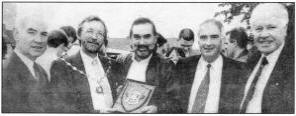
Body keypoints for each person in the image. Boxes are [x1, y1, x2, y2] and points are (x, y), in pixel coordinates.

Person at [168, 19, 249, 113]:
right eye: (203, 37)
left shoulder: (240, 71)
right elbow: (173, 101)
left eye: (214, 37)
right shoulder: (183, 66)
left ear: (222, 40)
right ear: (198, 41)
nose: (208, 43)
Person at [49, 16, 123, 113]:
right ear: (79, 34)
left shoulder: (112, 65)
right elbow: (60, 106)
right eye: (90, 31)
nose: (94, 37)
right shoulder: (62, 66)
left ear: (104, 39)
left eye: (100, 34)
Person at [240, 3, 294, 113]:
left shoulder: (292, 65)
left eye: (271, 27)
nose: (264, 35)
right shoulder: (251, 62)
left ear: (285, 29)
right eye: (258, 29)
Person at [116, 17, 176, 113]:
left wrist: (158, 108)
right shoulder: (122, 62)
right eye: (137, 37)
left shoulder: (166, 66)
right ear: (130, 39)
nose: (142, 42)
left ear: (155, 39)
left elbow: (176, 102)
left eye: (147, 36)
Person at [2, 14, 50, 112]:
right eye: (31, 32)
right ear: (16, 34)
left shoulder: (40, 71)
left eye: (44, 34)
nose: (39, 40)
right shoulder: (4, 73)